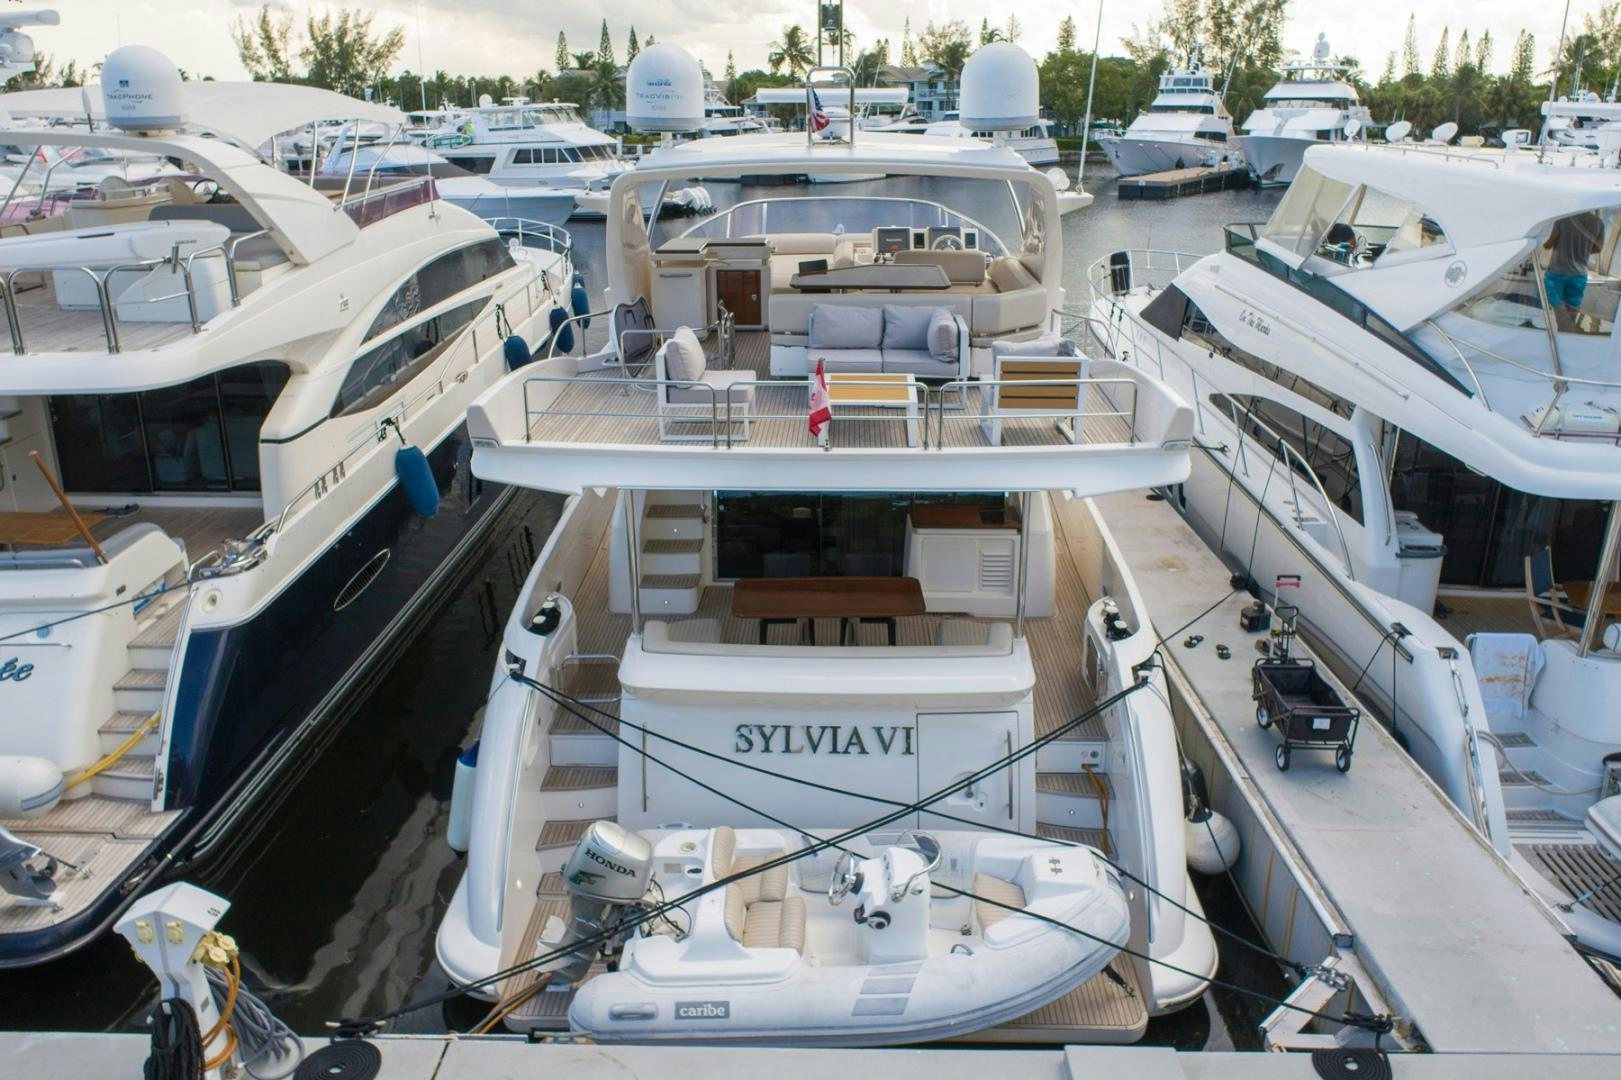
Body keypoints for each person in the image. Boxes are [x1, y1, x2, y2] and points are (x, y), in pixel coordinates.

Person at [1543, 210, 1605, 331]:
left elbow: (1548, 244)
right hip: (1579, 275)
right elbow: (1598, 249)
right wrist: (1582, 250)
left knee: (1559, 311)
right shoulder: (1599, 223)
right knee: (1572, 312)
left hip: (1557, 273)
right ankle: (1568, 336)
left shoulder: (1562, 219)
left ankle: (1565, 335)